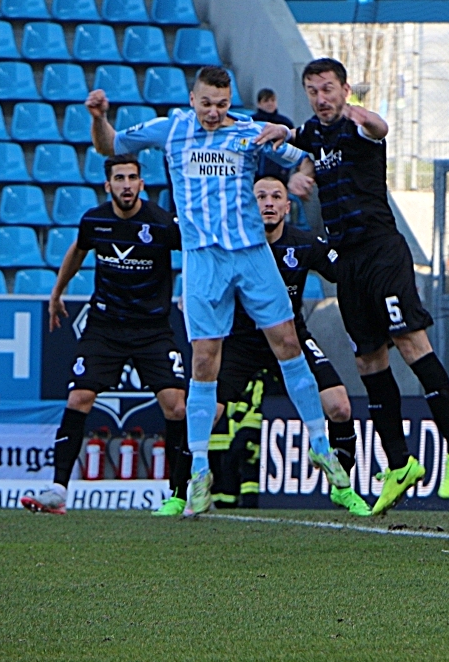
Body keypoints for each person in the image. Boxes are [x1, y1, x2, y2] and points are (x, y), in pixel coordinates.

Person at [85, 67, 352, 516]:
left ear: (231, 103)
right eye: (207, 103)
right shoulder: (170, 129)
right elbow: (109, 145)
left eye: (222, 105)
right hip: (204, 259)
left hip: (250, 254)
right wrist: (99, 116)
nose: (213, 112)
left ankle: (322, 450)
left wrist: (295, 153)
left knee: (288, 342)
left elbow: (301, 155)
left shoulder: (248, 132)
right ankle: (199, 474)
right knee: (205, 359)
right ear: (192, 99)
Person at [292, 58, 449, 515]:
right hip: (347, 261)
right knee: (368, 359)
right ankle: (399, 463)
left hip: (381, 252)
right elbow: (300, 145)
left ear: (344, 89)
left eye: (329, 89)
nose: (321, 98)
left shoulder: (357, 125)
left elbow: (381, 128)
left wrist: (363, 113)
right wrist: (297, 167)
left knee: (411, 342)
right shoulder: (312, 134)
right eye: (314, 90)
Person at [22, 154, 189, 516]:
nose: (126, 184)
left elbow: (196, 254)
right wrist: (56, 293)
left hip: (152, 329)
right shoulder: (94, 220)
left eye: (132, 178)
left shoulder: (162, 224)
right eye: (119, 178)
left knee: (176, 405)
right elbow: (78, 250)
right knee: (79, 398)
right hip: (105, 327)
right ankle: (57, 491)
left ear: (142, 184)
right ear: (107, 185)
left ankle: (178, 494)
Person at [213, 173, 369, 516]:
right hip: (243, 341)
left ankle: (342, 487)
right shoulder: (233, 244)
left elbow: (343, 273)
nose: (268, 203)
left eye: (275, 197)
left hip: (292, 338)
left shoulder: (303, 243)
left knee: (340, 406)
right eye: (260, 197)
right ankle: (180, 492)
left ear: (287, 205)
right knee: (208, 413)